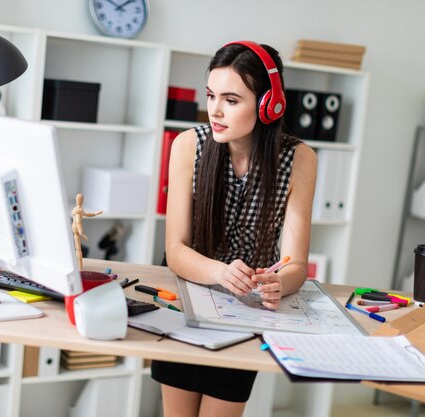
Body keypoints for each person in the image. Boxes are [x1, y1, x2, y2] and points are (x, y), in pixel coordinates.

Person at [152, 41, 317, 417]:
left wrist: (281, 283)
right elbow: (176, 250)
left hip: (245, 315)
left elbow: (296, 263)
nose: (214, 110)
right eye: (211, 95)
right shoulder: (187, 145)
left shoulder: (299, 159)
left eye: (231, 99)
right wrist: (221, 272)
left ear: (267, 105)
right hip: (185, 302)